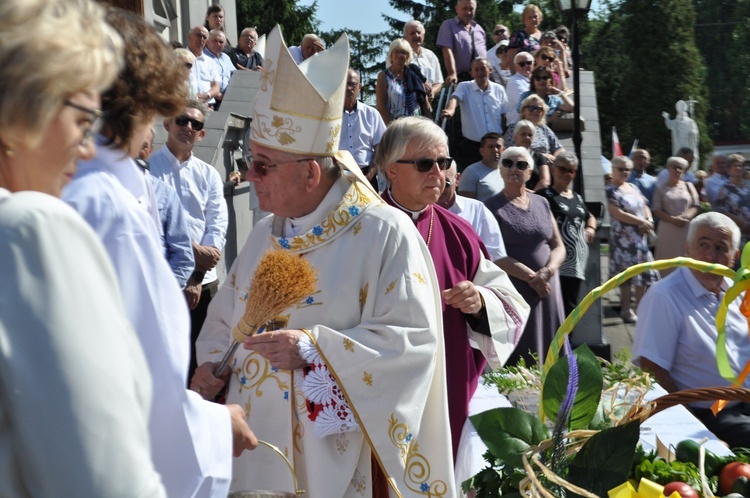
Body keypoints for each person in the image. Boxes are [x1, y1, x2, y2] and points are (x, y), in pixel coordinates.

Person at [193, 26, 457, 497]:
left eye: (262, 165)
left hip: (334, 466)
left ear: (312, 171)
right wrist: (210, 364)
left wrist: (316, 351)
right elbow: (223, 320)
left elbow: (414, 345)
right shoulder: (261, 237)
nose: (249, 177)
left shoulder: (384, 234)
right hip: (254, 455)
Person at [62, 10, 256, 497]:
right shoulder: (104, 205)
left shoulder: (113, 186)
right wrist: (214, 428)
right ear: (149, 100)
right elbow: (119, 376)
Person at [0, 0, 167, 495]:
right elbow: (104, 481)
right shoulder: (33, 229)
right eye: (81, 118)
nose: (89, 145)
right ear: (24, 107)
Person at [377, 116, 529, 460]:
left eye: (443, 163)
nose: (438, 173)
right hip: (381, 386)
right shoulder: (361, 229)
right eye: (424, 164)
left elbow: (510, 303)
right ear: (391, 170)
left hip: (444, 383)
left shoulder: (459, 233)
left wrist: (480, 301)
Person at [632, 212, 750, 448]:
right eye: (703, 245)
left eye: (721, 248)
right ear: (687, 248)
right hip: (707, 415)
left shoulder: (738, 292)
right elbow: (652, 369)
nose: (710, 255)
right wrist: (692, 426)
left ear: (734, 257)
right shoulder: (665, 296)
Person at [149, 99, 229, 379]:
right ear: (167, 124)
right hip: (163, 280)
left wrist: (196, 276)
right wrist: (191, 250)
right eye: (182, 120)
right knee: (164, 362)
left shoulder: (208, 174)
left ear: (202, 134)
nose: (188, 127)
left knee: (204, 360)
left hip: (204, 284)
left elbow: (217, 225)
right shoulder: (148, 168)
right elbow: (151, 225)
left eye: (196, 124)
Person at [486, 146, 565, 365]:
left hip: (548, 285)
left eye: (521, 165)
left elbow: (558, 245)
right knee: (524, 351)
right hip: (517, 288)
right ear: (500, 170)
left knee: (552, 345)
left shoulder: (542, 202)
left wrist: (547, 271)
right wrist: (533, 278)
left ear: (530, 172)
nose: (514, 168)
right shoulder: (490, 207)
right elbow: (494, 255)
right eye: (508, 163)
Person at [537, 152, 598, 316]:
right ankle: (554, 342)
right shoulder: (544, 196)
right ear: (553, 169)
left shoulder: (576, 197)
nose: (566, 174)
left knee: (570, 308)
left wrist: (591, 228)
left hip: (575, 264)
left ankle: (565, 342)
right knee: (554, 309)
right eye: (562, 169)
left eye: (570, 170)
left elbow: (589, 216)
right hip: (554, 263)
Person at [138, 127, 195, 289]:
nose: (135, 151)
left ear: (149, 151)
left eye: (142, 146)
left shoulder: (165, 194)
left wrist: (162, 293)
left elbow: (183, 256)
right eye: (131, 144)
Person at [605, 156, 659, 324]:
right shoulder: (610, 190)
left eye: (627, 169)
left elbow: (644, 206)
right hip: (623, 238)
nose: (624, 172)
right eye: (621, 169)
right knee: (626, 275)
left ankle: (640, 307)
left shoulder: (633, 187)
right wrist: (640, 222)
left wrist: (648, 220)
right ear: (612, 170)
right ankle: (626, 308)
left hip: (640, 237)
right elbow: (617, 213)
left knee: (642, 273)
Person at [441, 57, 511, 167]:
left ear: (490, 70)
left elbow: (504, 116)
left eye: (483, 69)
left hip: (495, 145)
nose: (480, 73)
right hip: (473, 147)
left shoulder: (499, 89)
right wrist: (450, 109)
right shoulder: (464, 86)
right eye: (476, 70)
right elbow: (455, 98)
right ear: (471, 73)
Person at [438, 159, 508, 263]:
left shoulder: (477, 210)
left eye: (446, 183)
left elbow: (495, 255)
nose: (440, 188)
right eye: (437, 182)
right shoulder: (420, 211)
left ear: (457, 179)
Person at [652, 156, 700, 275]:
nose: (678, 170)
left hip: (686, 227)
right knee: (667, 259)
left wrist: (686, 217)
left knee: (686, 256)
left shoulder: (689, 186)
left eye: (681, 168)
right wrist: (673, 219)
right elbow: (656, 209)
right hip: (668, 228)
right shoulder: (661, 188)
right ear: (668, 169)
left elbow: (696, 205)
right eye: (675, 167)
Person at [340, 68, 386, 179]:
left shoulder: (372, 114)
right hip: (337, 176)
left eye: (352, 84)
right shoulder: (330, 115)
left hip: (367, 176)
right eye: (344, 84)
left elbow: (381, 148)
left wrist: (369, 175)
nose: (348, 88)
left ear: (359, 87)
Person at [375, 38, 428, 125]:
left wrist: (430, 125)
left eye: (403, 52)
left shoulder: (414, 75)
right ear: (391, 55)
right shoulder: (384, 76)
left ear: (407, 56)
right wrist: (392, 128)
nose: (399, 55)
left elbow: (424, 103)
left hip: (416, 126)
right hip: (394, 126)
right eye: (396, 51)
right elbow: (381, 107)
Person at [504, 94, 563, 166]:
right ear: (523, 111)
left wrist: (554, 159)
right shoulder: (514, 128)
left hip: (547, 166)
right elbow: (508, 151)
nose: (535, 111)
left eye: (539, 109)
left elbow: (559, 148)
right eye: (531, 108)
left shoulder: (544, 129)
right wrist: (541, 157)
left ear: (542, 113)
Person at [437, 0, 487, 84]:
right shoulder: (448, 25)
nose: (468, 12)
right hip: (462, 79)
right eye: (465, 8)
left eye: (471, 9)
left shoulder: (480, 29)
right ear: (457, 9)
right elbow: (447, 50)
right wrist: (452, 73)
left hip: (482, 79)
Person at [714, 153, 750, 249]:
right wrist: (743, 224)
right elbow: (722, 210)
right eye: (735, 165)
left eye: (740, 165)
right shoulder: (725, 188)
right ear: (729, 169)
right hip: (738, 231)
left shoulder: (748, 185)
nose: (738, 168)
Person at [404, 20, 444, 103]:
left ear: (423, 35)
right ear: (405, 37)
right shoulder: (399, 55)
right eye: (412, 33)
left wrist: (433, 91)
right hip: (406, 102)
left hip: (427, 104)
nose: (416, 35)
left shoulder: (430, 55)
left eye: (419, 32)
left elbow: (439, 82)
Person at [458, 132, 505, 201]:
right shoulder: (471, 172)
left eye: (498, 147)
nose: (495, 150)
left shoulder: (508, 171)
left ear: (504, 150)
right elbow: (466, 205)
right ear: (481, 151)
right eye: (490, 147)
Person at [508, 119, 551, 191]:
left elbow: (545, 181)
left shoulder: (538, 157)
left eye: (530, 135)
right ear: (515, 136)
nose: (527, 137)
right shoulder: (508, 156)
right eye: (523, 134)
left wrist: (532, 194)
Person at [187, 25, 221, 107]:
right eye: (199, 35)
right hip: (186, 107)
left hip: (207, 106)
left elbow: (216, 86)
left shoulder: (210, 62)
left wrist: (207, 95)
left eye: (204, 37)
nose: (201, 39)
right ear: (189, 37)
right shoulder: (180, 58)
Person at [663, 100, 700, 170]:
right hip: (678, 142)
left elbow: (695, 131)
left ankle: (690, 169)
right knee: (679, 155)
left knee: (688, 155)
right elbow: (669, 125)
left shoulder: (690, 121)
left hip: (688, 142)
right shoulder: (676, 121)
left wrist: (693, 132)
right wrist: (666, 118)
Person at [205, 29, 236, 106]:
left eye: (221, 42)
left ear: (225, 44)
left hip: (227, 100)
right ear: (207, 41)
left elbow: (235, 75)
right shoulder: (202, 57)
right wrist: (217, 94)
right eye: (214, 41)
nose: (218, 44)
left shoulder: (226, 58)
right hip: (209, 100)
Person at [505, 51, 534, 124]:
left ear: (533, 64)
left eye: (529, 63)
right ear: (516, 67)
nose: (526, 66)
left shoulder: (536, 79)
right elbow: (527, 102)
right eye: (522, 64)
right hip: (518, 126)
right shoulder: (514, 81)